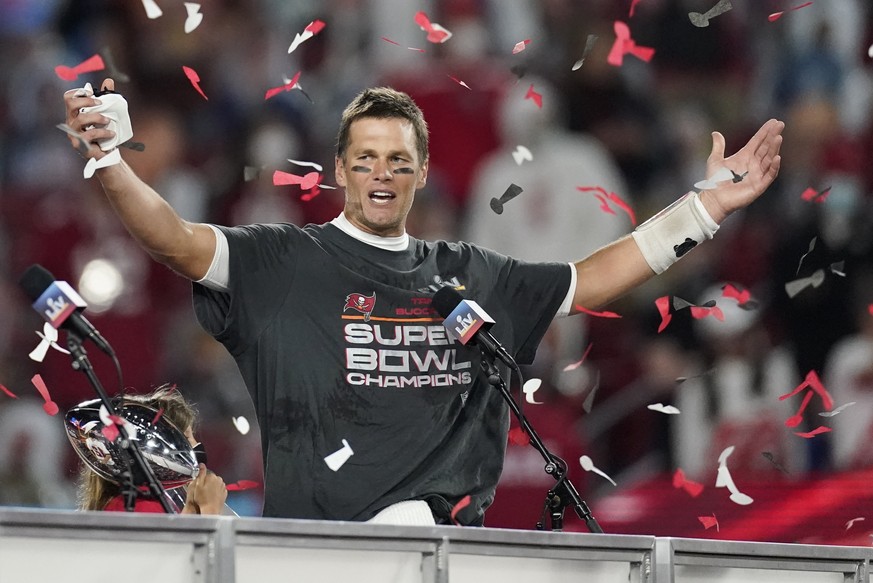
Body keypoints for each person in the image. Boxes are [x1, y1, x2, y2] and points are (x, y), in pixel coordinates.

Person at [62, 78, 783, 525]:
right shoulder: (282, 260)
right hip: (315, 555)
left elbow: (591, 276)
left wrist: (704, 207)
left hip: (433, 551)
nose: (383, 173)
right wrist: (111, 161)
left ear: (422, 172)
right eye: (367, 158)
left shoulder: (470, 272)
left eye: (399, 160)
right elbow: (173, 239)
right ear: (340, 167)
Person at [71, 385, 227, 514]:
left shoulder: (148, 502)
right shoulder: (142, 507)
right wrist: (210, 508)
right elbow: (184, 551)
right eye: (185, 439)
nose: (196, 446)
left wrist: (193, 507)